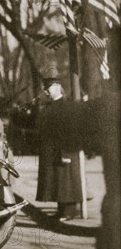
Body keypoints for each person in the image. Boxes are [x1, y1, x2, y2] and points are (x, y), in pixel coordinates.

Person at [36, 77, 82, 221]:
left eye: (48, 88)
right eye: (45, 88)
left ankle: (70, 211)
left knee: (66, 180)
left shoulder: (67, 106)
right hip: (53, 151)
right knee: (58, 181)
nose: (45, 91)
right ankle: (61, 210)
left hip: (65, 150)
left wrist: (66, 152)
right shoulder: (49, 107)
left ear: (57, 87)